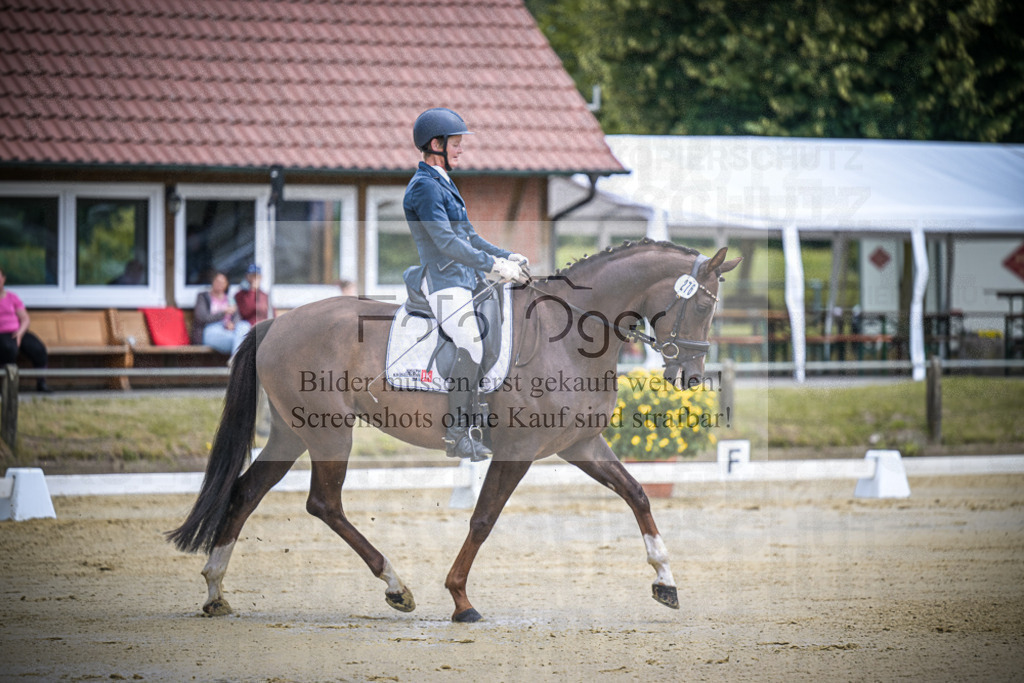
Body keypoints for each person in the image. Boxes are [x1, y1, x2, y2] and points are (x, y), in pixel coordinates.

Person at [403, 107, 529, 461]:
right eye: (455, 144)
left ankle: (484, 417)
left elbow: (469, 236)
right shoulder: (424, 188)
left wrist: (508, 255)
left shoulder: (444, 183)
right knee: (471, 344)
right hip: (443, 281)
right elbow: (446, 242)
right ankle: (457, 434)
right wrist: (493, 265)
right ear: (435, 144)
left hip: (464, 280)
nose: (460, 150)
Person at [0, 266, 52, 392]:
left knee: (37, 348)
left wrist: (20, 333)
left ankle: (41, 383)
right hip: (2, 334)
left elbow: (25, 318)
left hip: (18, 331)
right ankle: (7, 387)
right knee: (8, 349)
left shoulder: (12, 297)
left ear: (4, 279)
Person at [192, 272, 247, 356]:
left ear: (226, 284)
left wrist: (233, 324)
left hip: (228, 331)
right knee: (240, 342)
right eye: (217, 281)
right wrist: (223, 313)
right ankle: (237, 360)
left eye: (223, 282)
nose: (219, 284)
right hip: (210, 331)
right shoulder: (203, 297)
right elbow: (201, 318)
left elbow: (237, 316)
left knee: (244, 325)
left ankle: (235, 359)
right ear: (212, 282)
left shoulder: (230, 299)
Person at [234, 264, 271, 343]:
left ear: (261, 278)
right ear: (247, 277)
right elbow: (246, 312)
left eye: (256, 276)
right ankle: (237, 355)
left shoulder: (264, 295)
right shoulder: (240, 295)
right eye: (252, 276)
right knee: (242, 328)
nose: (254, 279)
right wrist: (252, 291)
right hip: (246, 327)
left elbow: (271, 314)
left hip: (262, 326)